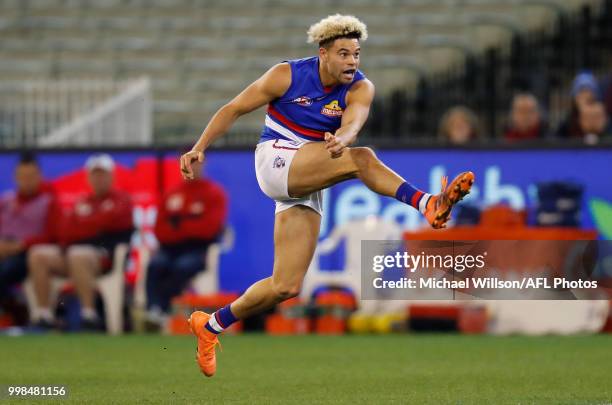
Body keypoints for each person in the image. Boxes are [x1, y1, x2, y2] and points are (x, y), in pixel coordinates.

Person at [179, 14, 474, 377]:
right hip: (275, 158)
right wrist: (199, 148)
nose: (353, 61)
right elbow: (234, 108)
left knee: (285, 286)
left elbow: (355, 120)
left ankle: (210, 326)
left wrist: (344, 139)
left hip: (311, 170)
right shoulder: (285, 74)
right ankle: (429, 203)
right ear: (323, 53)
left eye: (357, 54)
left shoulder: (361, 87)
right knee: (363, 159)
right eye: (344, 53)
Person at [27, 154, 133, 330]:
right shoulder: (82, 202)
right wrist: (93, 225)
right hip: (72, 254)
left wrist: (86, 226)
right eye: (94, 175)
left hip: (105, 257)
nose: (98, 179)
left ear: (111, 176)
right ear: (88, 177)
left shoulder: (121, 200)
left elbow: (111, 222)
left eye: (102, 174)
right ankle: (43, 315)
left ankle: (88, 315)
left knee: (79, 254)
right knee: (38, 254)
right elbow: (66, 230)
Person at [145, 158, 227, 330]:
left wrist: (178, 224)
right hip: (170, 248)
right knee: (155, 265)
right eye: (188, 162)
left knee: (182, 266)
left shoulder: (213, 192)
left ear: (203, 164)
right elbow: (159, 229)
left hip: (198, 249)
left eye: (196, 162)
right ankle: (153, 309)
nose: (192, 167)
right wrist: (190, 221)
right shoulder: (172, 193)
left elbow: (209, 228)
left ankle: (162, 309)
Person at [0, 153, 58, 324]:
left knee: (5, 271)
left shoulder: (48, 202)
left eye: (31, 176)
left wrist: (22, 244)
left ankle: (16, 312)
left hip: (27, 253)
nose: (27, 181)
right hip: (3, 249)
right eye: (23, 176)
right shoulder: (6, 201)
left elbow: (53, 235)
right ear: (16, 177)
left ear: (39, 176)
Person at [557, 71, 602, 138]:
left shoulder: (602, 117)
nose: (585, 96)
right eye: (581, 91)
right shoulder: (566, 124)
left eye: (588, 90)